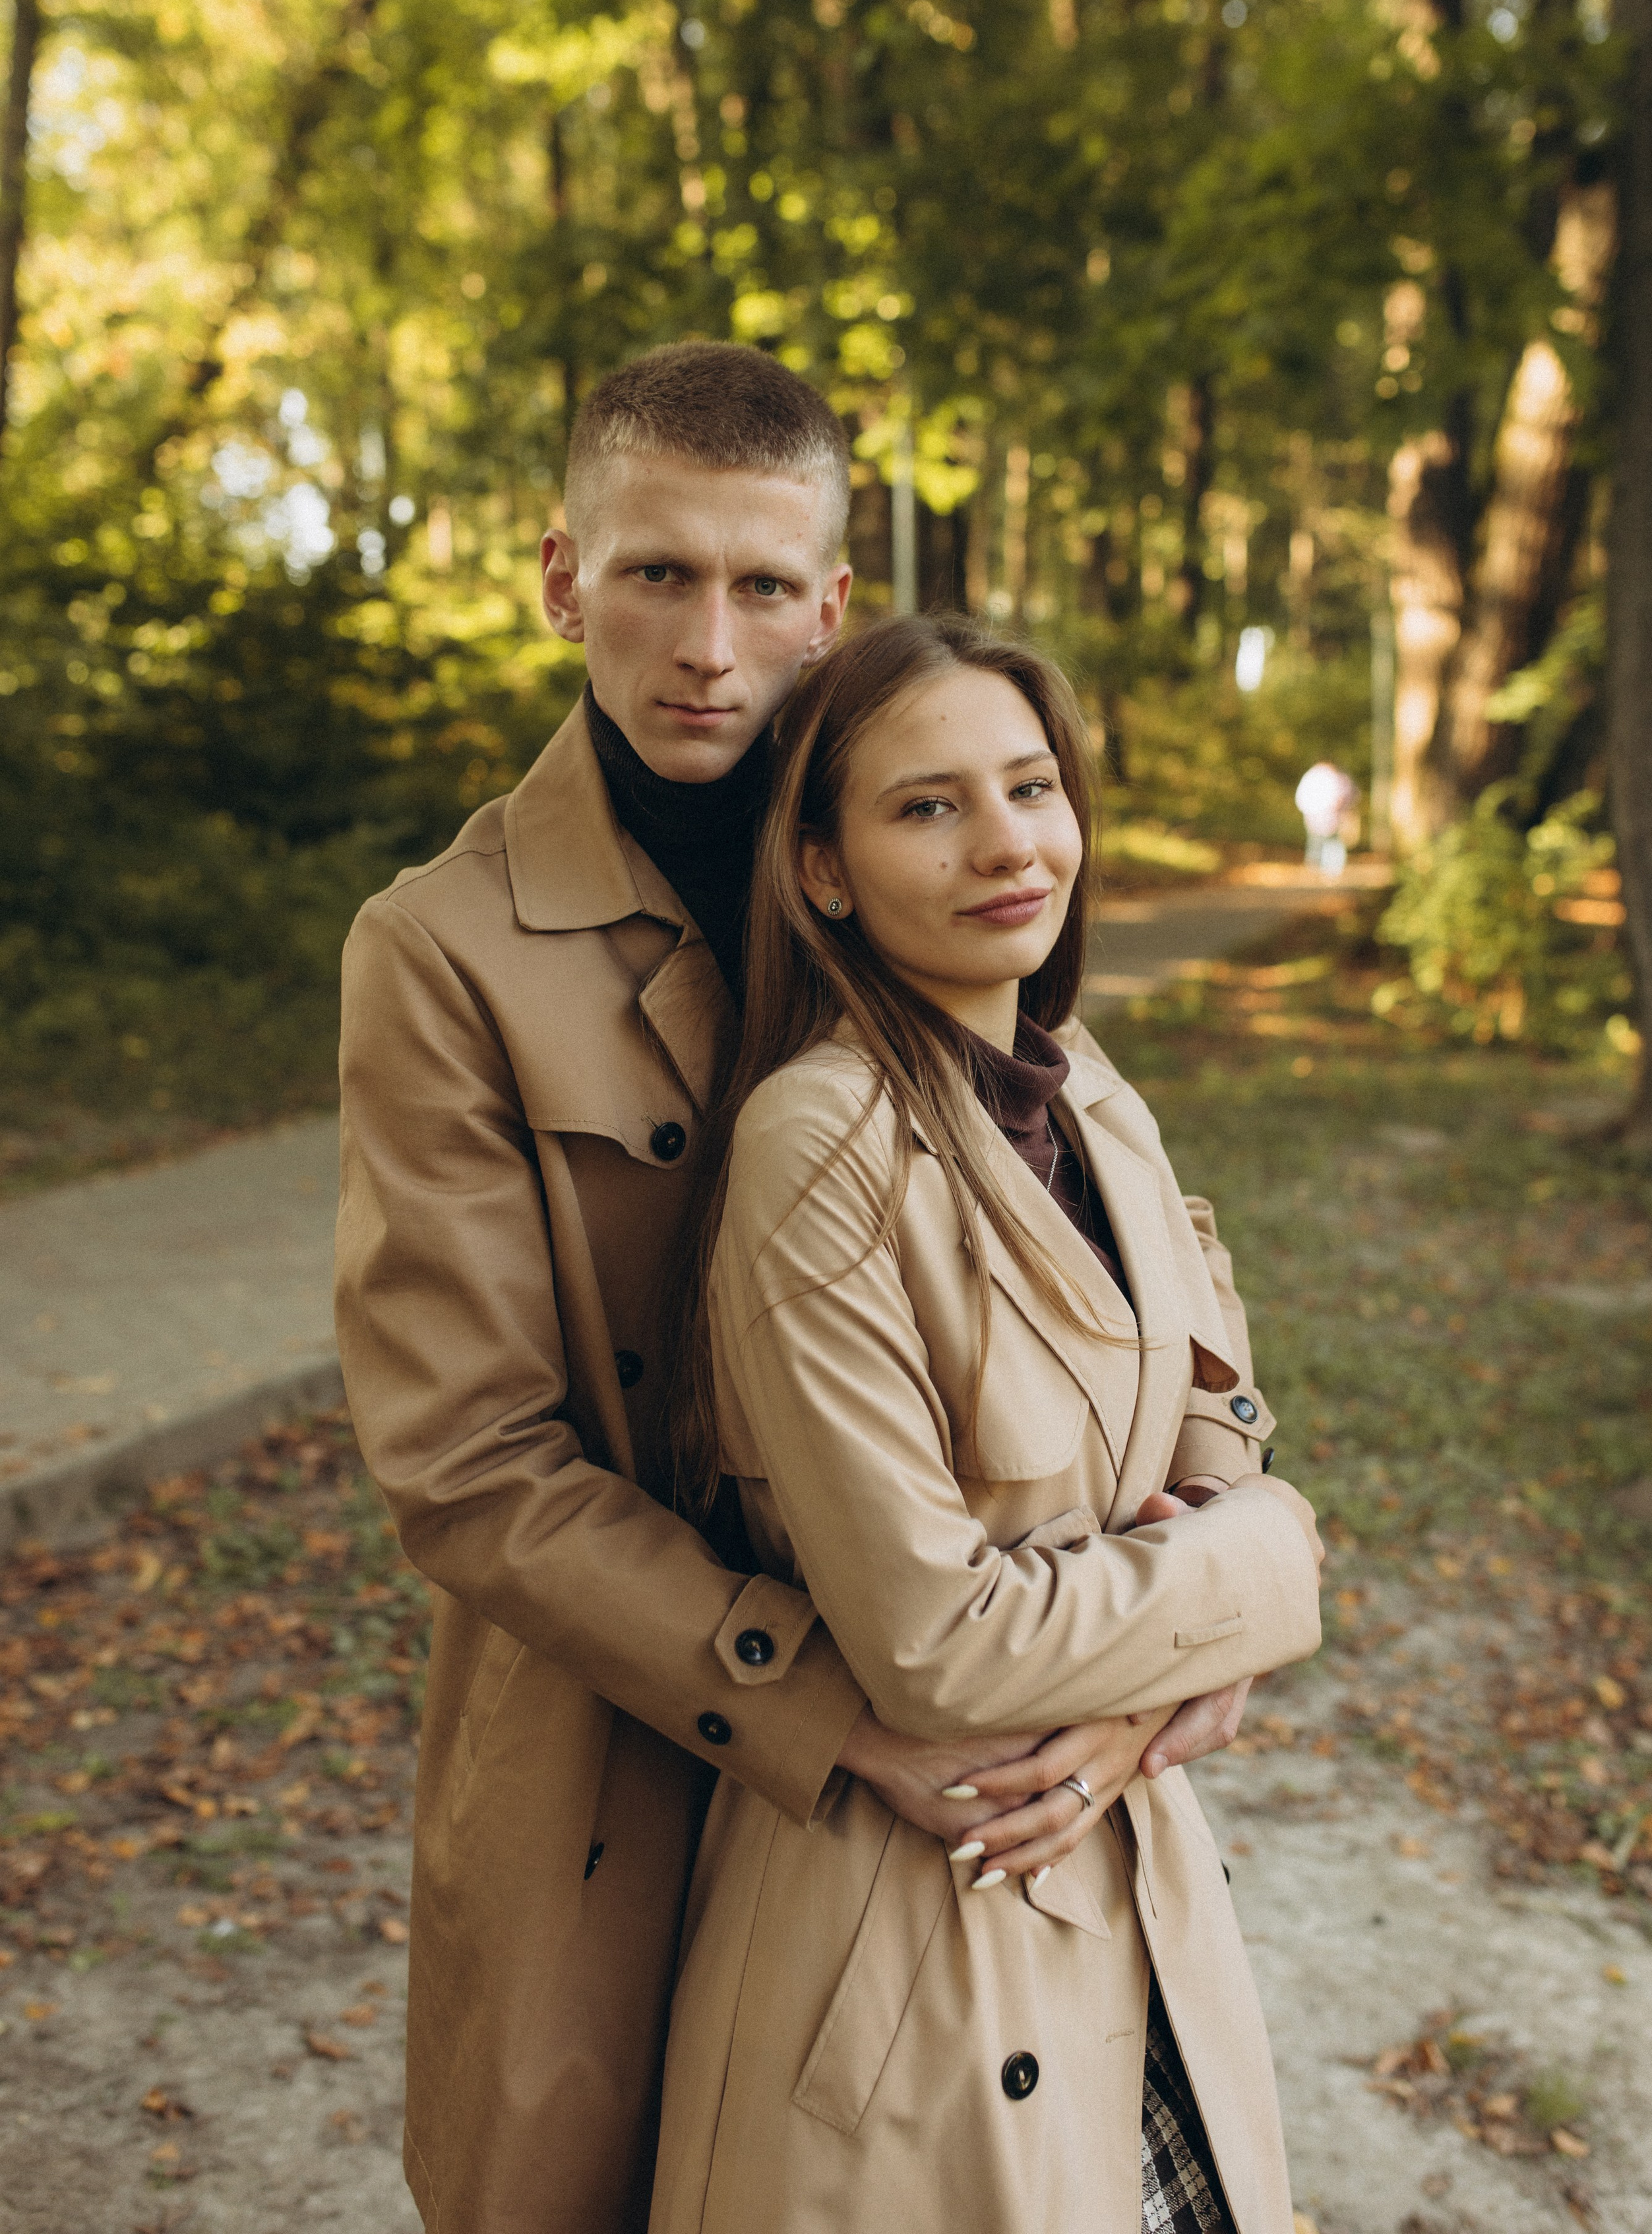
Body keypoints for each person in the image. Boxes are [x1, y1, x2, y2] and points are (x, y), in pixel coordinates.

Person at [334, 344, 1255, 2234]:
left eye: (763, 587)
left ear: (829, 602)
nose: (708, 642)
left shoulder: (914, 849)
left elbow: (1155, 1260)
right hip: (629, 1738)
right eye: (656, 573)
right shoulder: (444, 948)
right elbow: (469, 1462)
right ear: (559, 578)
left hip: (982, 1700)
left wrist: (1173, 1635)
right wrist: (852, 1710)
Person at [651, 615, 1326, 2234]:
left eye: (1029, 785)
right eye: (927, 805)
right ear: (819, 868)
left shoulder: (1081, 1082)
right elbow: (934, 1646)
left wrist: (1154, 1657)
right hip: (920, 1930)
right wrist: (1265, 1567)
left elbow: (1211, 1393)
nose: (1008, 842)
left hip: (1117, 1860)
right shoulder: (817, 1143)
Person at [1293, 760, 1359, 876]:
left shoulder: (1313, 776)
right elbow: (1351, 796)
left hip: (1327, 816)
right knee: (1324, 843)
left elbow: (1301, 798)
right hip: (1323, 816)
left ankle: (1325, 870)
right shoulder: (1337, 777)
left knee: (1326, 843)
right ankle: (1327, 871)